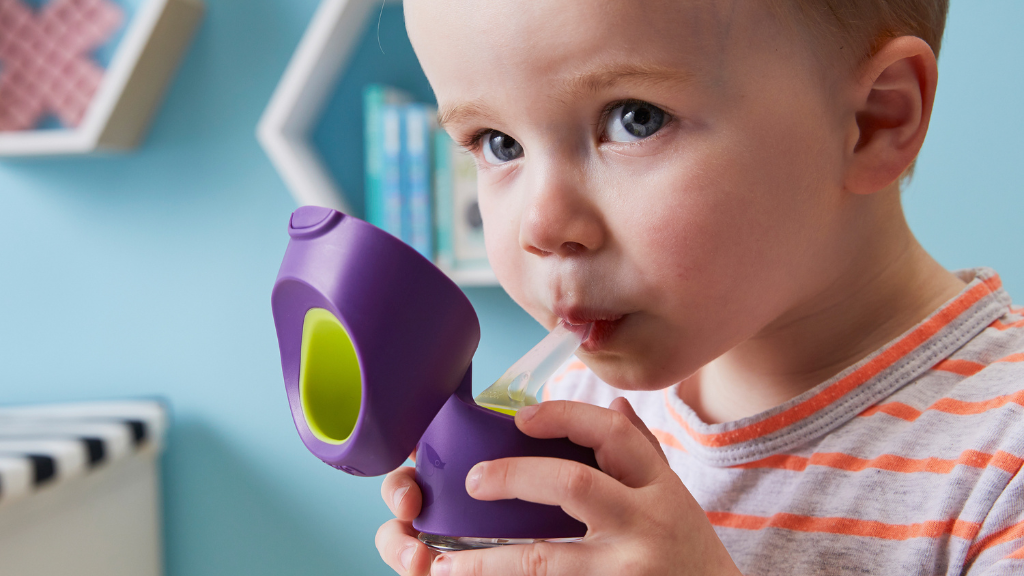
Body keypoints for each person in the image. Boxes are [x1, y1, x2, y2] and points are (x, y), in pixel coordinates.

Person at [375, 0, 1024, 574]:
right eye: (498, 143)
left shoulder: (1003, 465)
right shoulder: (579, 412)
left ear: (875, 120)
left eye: (635, 119)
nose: (542, 228)